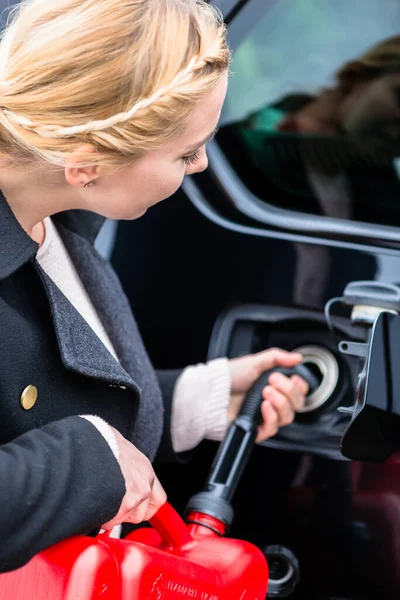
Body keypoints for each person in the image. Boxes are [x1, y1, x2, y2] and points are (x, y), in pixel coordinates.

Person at [0, 0, 309, 572]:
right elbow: (68, 443)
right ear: (85, 160)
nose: (201, 166)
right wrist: (83, 467)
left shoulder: (61, 220)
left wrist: (199, 399)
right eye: (187, 152)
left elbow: (52, 404)